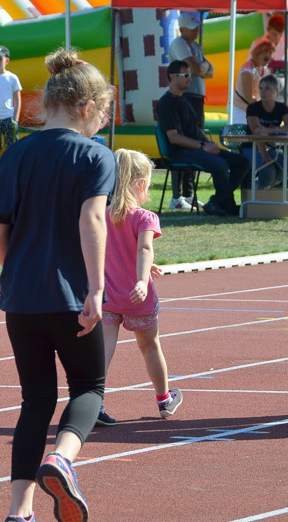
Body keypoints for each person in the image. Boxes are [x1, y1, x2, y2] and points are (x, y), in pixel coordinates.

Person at [0, 49, 116, 522]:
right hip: (70, 298)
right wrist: (97, 290)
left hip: (21, 299)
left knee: (35, 400)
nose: (103, 122)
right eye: (102, 112)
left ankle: (19, 512)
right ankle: (61, 457)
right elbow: (92, 218)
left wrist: (17, 272)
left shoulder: (16, 153)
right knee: (89, 388)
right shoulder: (94, 155)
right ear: (86, 108)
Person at [98, 149, 182, 427]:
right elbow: (144, 247)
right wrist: (140, 279)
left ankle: (94, 401)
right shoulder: (145, 217)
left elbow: (111, 251)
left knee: (104, 350)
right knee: (150, 347)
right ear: (141, 183)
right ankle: (164, 399)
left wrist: (144, 268)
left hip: (108, 296)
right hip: (137, 297)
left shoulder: (102, 214)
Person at [156, 60, 249, 216]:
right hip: (181, 152)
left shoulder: (184, 100)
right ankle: (227, 204)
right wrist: (202, 146)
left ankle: (216, 201)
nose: (190, 79)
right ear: (172, 77)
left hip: (197, 148)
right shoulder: (166, 103)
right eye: (185, 75)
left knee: (242, 162)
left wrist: (209, 143)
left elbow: (195, 129)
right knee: (220, 164)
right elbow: (174, 138)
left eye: (190, 75)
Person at [167, 13, 214, 211]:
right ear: (182, 29)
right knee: (184, 144)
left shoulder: (194, 46)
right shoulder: (180, 43)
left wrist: (202, 68)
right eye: (193, 28)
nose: (197, 31)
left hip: (195, 100)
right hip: (187, 99)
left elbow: (209, 70)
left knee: (196, 144)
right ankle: (177, 196)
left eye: (197, 27)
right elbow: (197, 68)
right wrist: (201, 67)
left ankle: (189, 194)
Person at [245, 74, 288, 190]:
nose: (263, 92)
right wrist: (264, 155)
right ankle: (260, 191)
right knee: (268, 169)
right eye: (261, 88)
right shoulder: (253, 108)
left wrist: (270, 130)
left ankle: (266, 187)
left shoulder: (281, 107)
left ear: (277, 91)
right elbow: (257, 132)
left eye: (267, 88)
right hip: (252, 148)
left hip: (272, 149)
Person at [232, 41, 275, 124]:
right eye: (265, 59)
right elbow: (248, 96)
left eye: (270, 59)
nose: (268, 62)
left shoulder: (263, 68)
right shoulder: (247, 71)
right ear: (257, 56)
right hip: (241, 109)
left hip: (254, 107)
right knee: (242, 135)